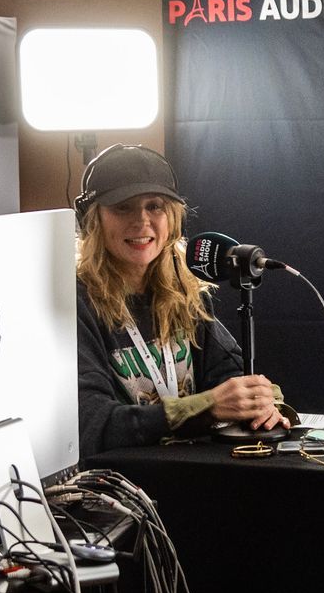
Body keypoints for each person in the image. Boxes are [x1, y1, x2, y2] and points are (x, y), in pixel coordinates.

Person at [74, 144, 291, 449]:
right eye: (123, 207)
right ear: (91, 219)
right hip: (122, 474)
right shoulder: (77, 303)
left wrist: (259, 402)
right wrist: (205, 408)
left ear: (174, 219)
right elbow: (91, 422)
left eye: (155, 206)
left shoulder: (184, 289)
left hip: (189, 467)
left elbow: (229, 373)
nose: (142, 220)